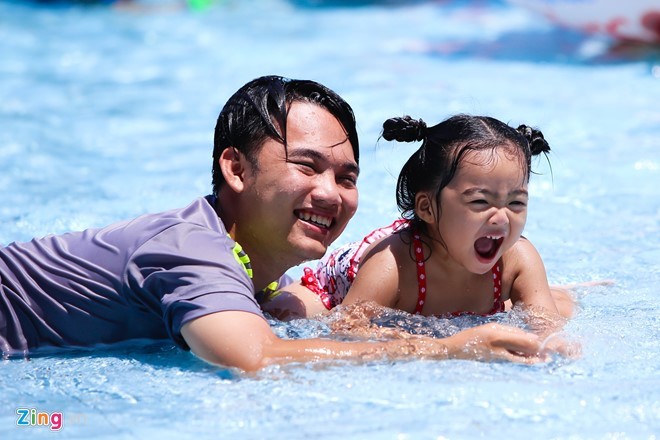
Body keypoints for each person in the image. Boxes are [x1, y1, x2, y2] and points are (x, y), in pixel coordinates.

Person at [0, 77, 565, 371]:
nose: (331, 193)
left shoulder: (251, 274)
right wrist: (448, 349)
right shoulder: (191, 249)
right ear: (236, 168)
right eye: (306, 166)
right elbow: (256, 358)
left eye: (346, 176)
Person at [263, 114, 575, 335]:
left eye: (516, 203)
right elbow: (346, 332)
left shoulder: (517, 258)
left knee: (564, 306)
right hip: (334, 291)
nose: (502, 217)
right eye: (480, 202)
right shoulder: (394, 265)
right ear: (427, 207)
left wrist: (548, 345)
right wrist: (440, 345)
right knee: (282, 316)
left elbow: (546, 328)